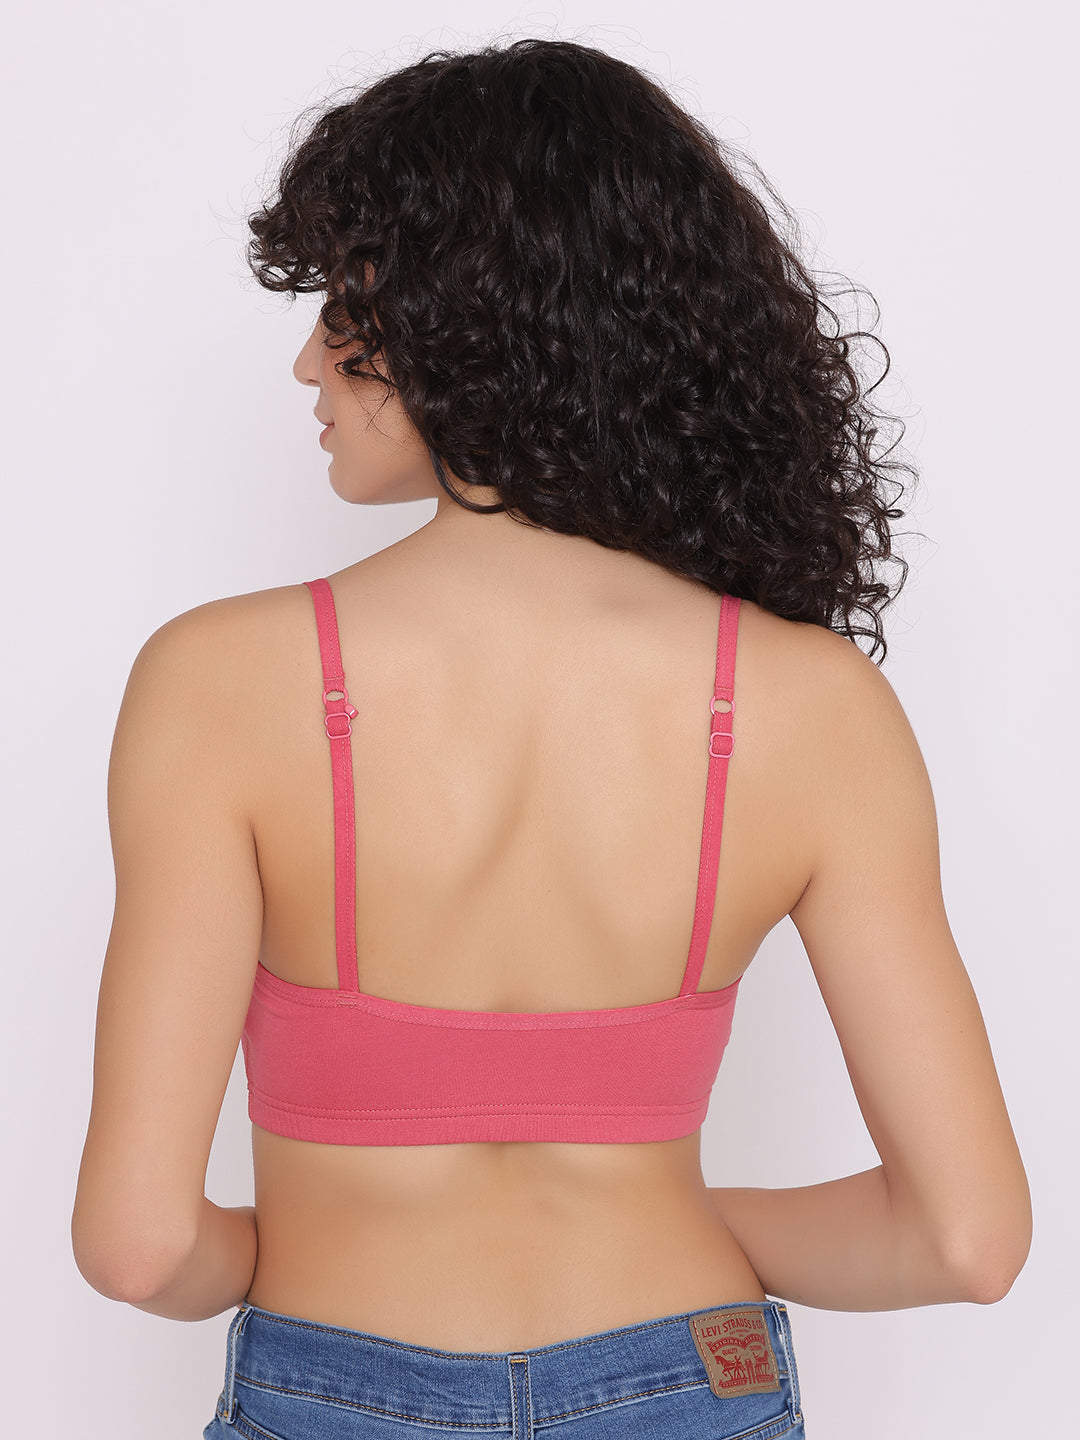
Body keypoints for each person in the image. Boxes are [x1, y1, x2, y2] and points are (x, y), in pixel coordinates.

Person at [70, 36, 1031, 1439]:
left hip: (334, 1389)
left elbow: (139, 1247)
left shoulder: (216, 682)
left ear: (475, 315)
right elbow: (967, 1240)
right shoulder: (815, 704)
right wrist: (667, 1223)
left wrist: (310, 1244)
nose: (307, 361)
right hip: (694, 1384)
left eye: (342, 305)